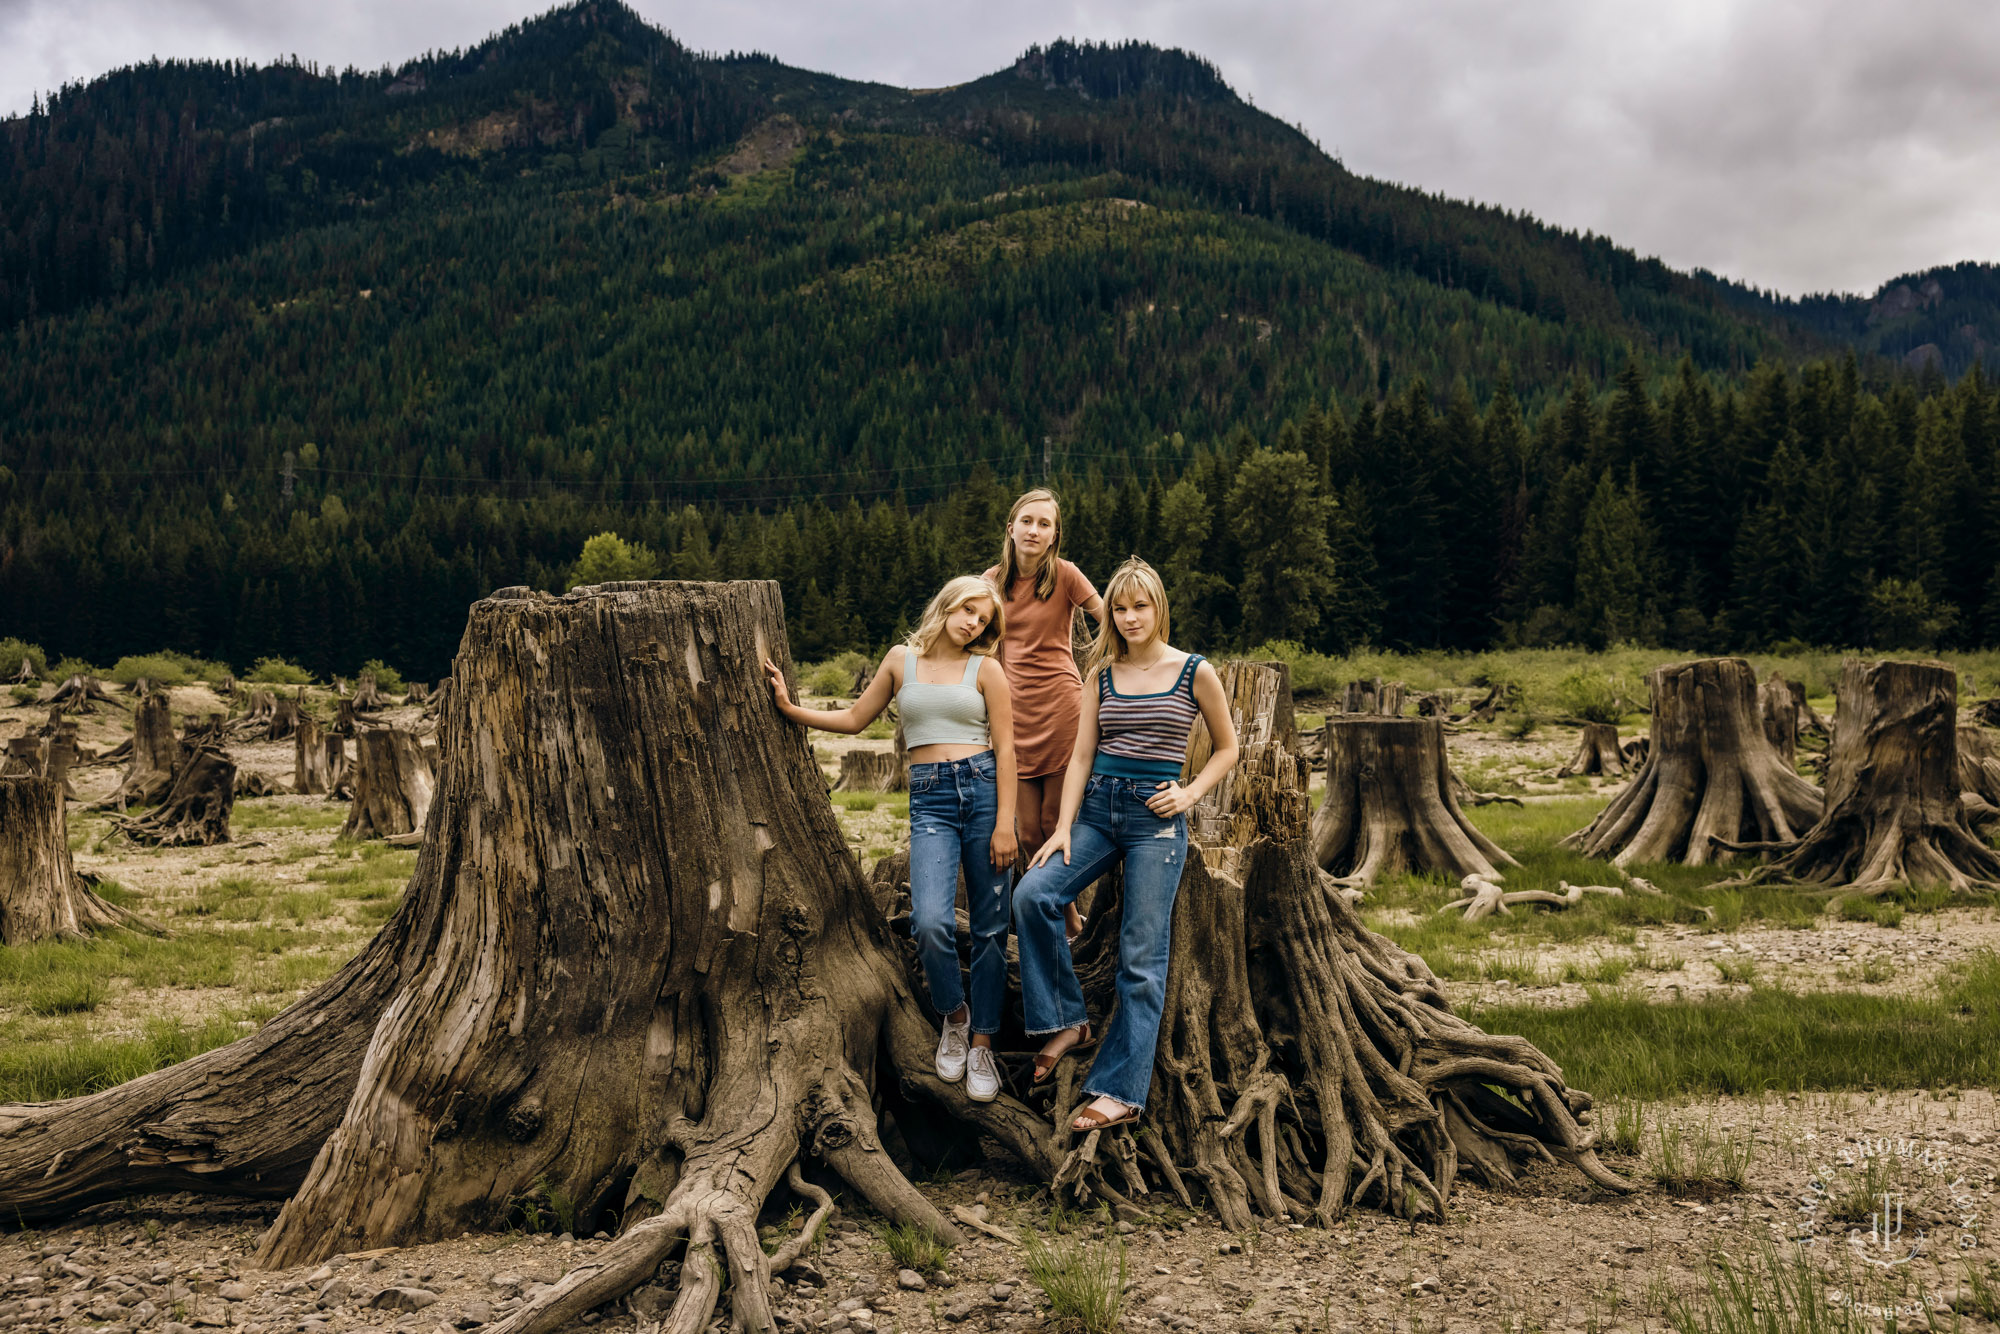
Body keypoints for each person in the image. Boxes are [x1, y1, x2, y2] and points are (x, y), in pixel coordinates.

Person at [764, 576, 1018, 1102]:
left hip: (985, 790)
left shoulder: (986, 669)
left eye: (984, 619)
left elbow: (1009, 749)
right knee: (929, 919)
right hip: (931, 799)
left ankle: (983, 1042)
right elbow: (857, 719)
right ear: (947, 604)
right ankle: (955, 1015)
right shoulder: (902, 659)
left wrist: (1006, 824)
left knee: (992, 929)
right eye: (968, 610)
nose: (974, 623)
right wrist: (791, 710)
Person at [1012, 557, 1239, 1133]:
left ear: (1158, 606)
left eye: (1141, 605)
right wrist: (1063, 826)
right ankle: (1067, 1019)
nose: (1130, 616)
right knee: (1034, 896)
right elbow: (1082, 755)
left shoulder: (1193, 671)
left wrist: (1188, 795)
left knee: (1141, 958)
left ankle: (1119, 1090)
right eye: (1120, 607)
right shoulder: (1101, 674)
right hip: (1097, 812)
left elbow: (1228, 748)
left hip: (1155, 823)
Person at [983, 488, 1102, 941]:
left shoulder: (1066, 576)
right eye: (1027, 521)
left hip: (1061, 710)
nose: (1034, 530)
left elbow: (1109, 614)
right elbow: (973, 636)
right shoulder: (991, 581)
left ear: (1054, 536)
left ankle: (1067, 921)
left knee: (1056, 823)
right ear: (1011, 528)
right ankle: (1063, 913)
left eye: (1045, 524)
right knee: (1027, 831)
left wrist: (1119, 671)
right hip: (1013, 716)